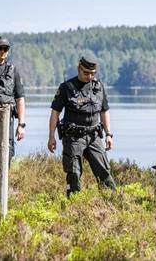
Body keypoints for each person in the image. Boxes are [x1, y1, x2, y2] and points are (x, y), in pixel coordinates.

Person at [48, 55, 116, 197]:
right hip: (73, 137)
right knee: (74, 173)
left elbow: (104, 111)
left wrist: (109, 134)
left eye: (92, 73)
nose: (89, 76)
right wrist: (51, 137)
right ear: (79, 69)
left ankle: (112, 201)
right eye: (86, 73)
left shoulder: (99, 87)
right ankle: (74, 205)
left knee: (104, 171)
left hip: (94, 136)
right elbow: (55, 113)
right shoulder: (66, 88)